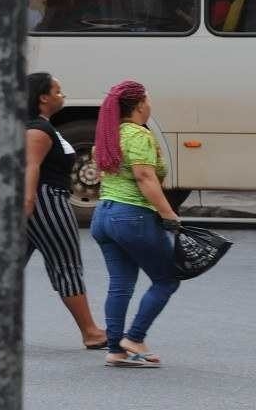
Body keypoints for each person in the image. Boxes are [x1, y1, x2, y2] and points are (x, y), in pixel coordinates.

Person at [0, 72, 107, 350]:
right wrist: (27, 204)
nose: (62, 95)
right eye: (57, 91)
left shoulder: (24, 126)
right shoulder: (38, 130)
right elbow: (31, 167)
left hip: (25, 203)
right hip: (44, 202)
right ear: (43, 97)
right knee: (66, 265)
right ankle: (91, 332)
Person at [90, 80, 180, 368]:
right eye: (149, 99)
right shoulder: (137, 134)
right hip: (132, 216)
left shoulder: (108, 135)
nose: (150, 103)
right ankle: (135, 337)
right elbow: (145, 178)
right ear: (140, 104)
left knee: (120, 284)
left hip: (103, 214)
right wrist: (169, 214)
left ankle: (116, 349)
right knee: (167, 279)